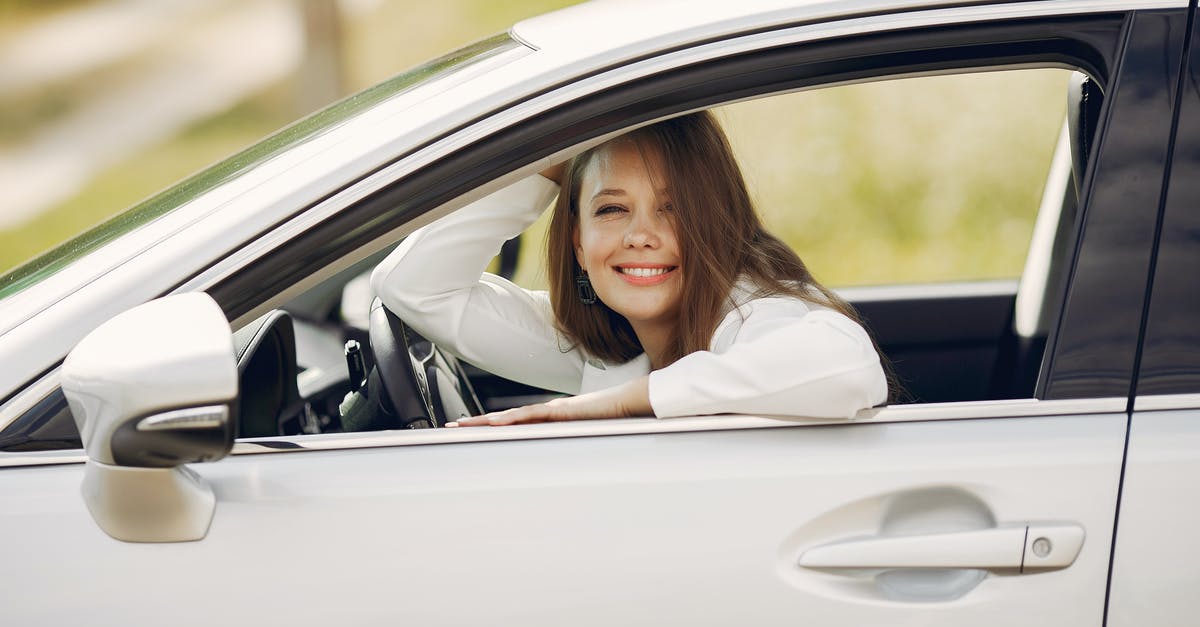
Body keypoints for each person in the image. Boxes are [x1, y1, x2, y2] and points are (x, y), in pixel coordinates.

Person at [370, 111, 888, 427]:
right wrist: (551, 162)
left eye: (674, 208)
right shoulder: (604, 347)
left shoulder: (753, 308)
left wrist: (605, 409)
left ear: (717, 221)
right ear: (578, 242)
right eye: (612, 209)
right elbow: (413, 287)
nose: (641, 235)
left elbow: (844, 366)